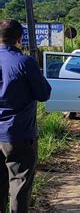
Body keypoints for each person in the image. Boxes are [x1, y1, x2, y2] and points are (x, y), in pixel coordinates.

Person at [0, 19, 51, 212]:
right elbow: (44, 94)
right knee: (19, 185)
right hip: (18, 134)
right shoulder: (24, 62)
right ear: (19, 39)